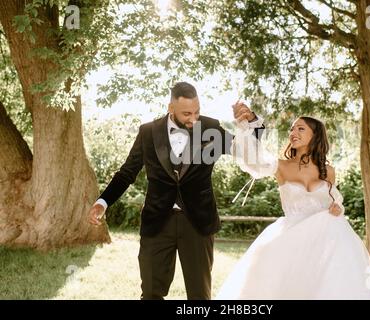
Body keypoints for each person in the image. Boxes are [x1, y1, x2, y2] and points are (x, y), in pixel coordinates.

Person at [87, 82, 264, 300]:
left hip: (198, 223)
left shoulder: (211, 128)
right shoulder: (148, 132)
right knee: (151, 293)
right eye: (187, 113)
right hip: (157, 222)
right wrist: (103, 202)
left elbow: (248, 155)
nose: (194, 118)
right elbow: (127, 173)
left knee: (199, 297)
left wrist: (252, 123)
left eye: (197, 111)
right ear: (171, 108)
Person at [216, 115, 370, 299]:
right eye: (292, 128)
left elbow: (335, 200)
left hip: (326, 239)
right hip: (292, 237)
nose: (293, 132)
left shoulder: (328, 171)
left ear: (315, 136)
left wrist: (337, 207)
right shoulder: (281, 166)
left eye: (300, 129)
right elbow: (253, 161)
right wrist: (245, 126)